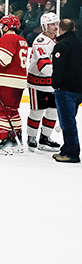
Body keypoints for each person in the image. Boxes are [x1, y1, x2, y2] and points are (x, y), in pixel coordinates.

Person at [0, 14, 29, 154]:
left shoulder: (7, 37)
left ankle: (6, 142)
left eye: (1, 25)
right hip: (20, 80)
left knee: (2, 110)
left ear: (5, 26)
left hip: (8, 80)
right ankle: (17, 138)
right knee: (13, 111)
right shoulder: (22, 40)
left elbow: (4, 60)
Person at [25, 12, 61, 152]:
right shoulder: (40, 42)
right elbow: (45, 67)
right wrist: (62, 75)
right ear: (44, 26)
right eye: (52, 24)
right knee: (37, 111)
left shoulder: (57, 40)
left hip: (53, 83)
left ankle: (45, 138)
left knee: (52, 111)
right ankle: (31, 137)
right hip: (37, 83)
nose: (55, 27)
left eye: (57, 24)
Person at [51, 19, 82, 162]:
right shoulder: (79, 43)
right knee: (69, 121)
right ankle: (67, 148)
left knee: (67, 123)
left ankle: (72, 153)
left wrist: (56, 84)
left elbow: (59, 68)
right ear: (73, 29)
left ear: (60, 29)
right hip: (78, 89)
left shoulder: (62, 45)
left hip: (66, 89)